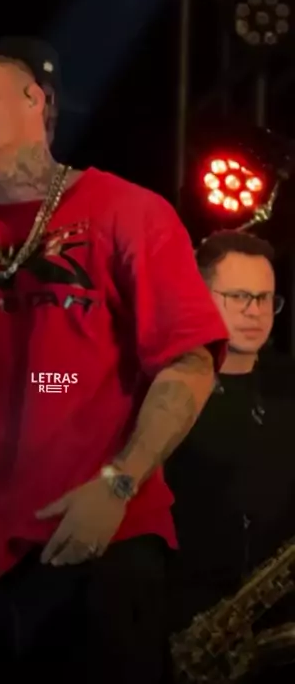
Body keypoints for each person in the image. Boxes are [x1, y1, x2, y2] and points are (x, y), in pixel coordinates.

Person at [0, 36, 227, 683]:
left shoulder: (127, 210)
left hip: (99, 541)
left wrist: (118, 483)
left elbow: (189, 363)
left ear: (35, 98)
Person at [166, 231, 295, 682]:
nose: (255, 311)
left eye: (266, 299)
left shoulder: (287, 383)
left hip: (272, 623)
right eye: (239, 296)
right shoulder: (154, 383)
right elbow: (52, 381)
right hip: (180, 626)